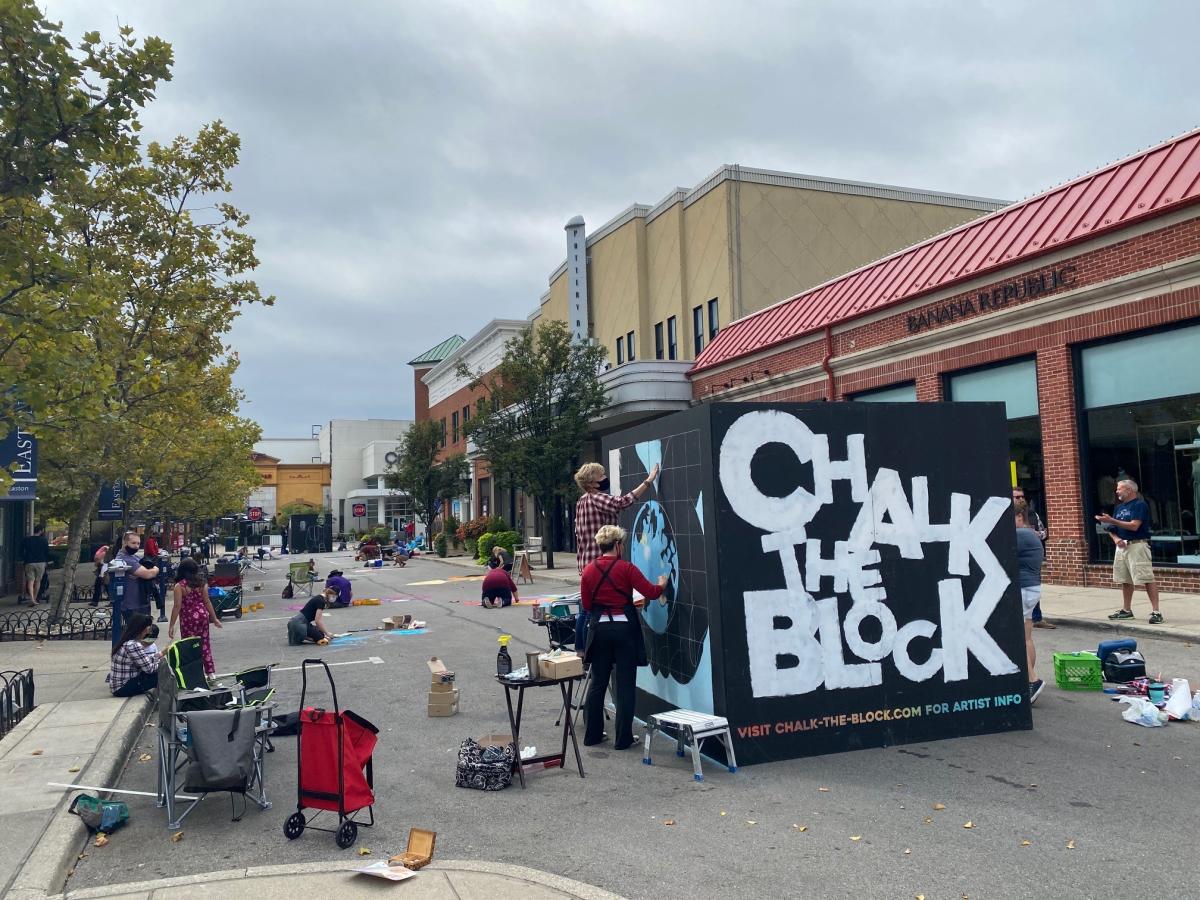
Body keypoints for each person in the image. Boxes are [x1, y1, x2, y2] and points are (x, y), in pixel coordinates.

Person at [580, 525, 668, 750]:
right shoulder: (627, 568)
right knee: (625, 684)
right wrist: (662, 585)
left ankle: (592, 735)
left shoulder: (589, 571)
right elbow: (650, 592)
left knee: (597, 683)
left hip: (599, 630)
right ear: (618, 545)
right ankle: (623, 738)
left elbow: (588, 605)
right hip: (624, 631)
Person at [573, 461, 659, 649]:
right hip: (601, 562)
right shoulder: (597, 498)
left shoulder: (581, 501)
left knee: (588, 609)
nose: (605, 479)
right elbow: (623, 502)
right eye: (601, 477)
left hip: (586, 563)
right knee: (593, 611)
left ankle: (581, 649)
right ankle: (586, 649)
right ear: (592, 483)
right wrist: (648, 481)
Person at [1097, 478, 1163, 624]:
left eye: (1119, 488)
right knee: (1125, 579)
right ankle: (1127, 610)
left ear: (1130, 490)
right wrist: (1115, 538)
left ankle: (1156, 612)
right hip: (1121, 547)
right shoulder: (1119, 507)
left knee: (1147, 578)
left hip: (1137, 546)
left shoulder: (1140, 505)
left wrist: (1112, 521)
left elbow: (1134, 526)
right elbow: (1111, 529)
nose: (1116, 491)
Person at [169, 557, 222, 677]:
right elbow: (207, 601)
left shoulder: (180, 586)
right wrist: (214, 619)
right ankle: (210, 672)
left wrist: (171, 625)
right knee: (205, 644)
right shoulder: (202, 583)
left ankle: (194, 673)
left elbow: (177, 606)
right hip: (203, 616)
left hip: (188, 619)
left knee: (190, 645)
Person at [1014, 502, 1045, 705]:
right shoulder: (1030, 535)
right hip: (1031, 588)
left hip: (1024, 589)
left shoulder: (1020, 535)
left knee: (1017, 638)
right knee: (1025, 638)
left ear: (1018, 516)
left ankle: (1032, 679)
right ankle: (1029, 678)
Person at [1012, 486, 1053, 629]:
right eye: (1017, 497)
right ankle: (1035, 617)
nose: (1021, 499)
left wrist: (1034, 534)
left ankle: (1037, 618)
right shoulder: (1016, 517)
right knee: (1026, 634)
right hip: (1028, 558)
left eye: (1022, 496)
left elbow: (1044, 532)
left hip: (1028, 561)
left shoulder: (1032, 515)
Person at [112, 531, 160, 630]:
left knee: (145, 632)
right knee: (139, 634)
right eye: (133, 543)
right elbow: (147, 574)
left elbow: (145, 570)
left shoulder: (133, 557)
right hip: (132, 605)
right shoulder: (125, 559)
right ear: (124, 543)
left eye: (138, 543)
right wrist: (156, 569)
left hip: (140, 601)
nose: (136, 546)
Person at [110, 612, 163, 697]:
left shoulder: (128, 641)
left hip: (120, 686)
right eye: (149, 627)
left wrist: (159, 656)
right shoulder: (134, 645)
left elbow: (144, 659)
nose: (150, 630)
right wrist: (164, 665)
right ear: (144, 629)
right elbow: (149, 669)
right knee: (161, 674)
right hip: (123, 687)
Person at [20, 523, 51, 607]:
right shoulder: (44, 540)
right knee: (38, 581)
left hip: (29, 562)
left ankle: (31, 599)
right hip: (40, 562)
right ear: (40, 531)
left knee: (30, 581)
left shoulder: (26, 539)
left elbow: (21, 551)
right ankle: (36, 598)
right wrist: (47, 561)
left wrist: (23, 559)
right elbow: (47, 552)